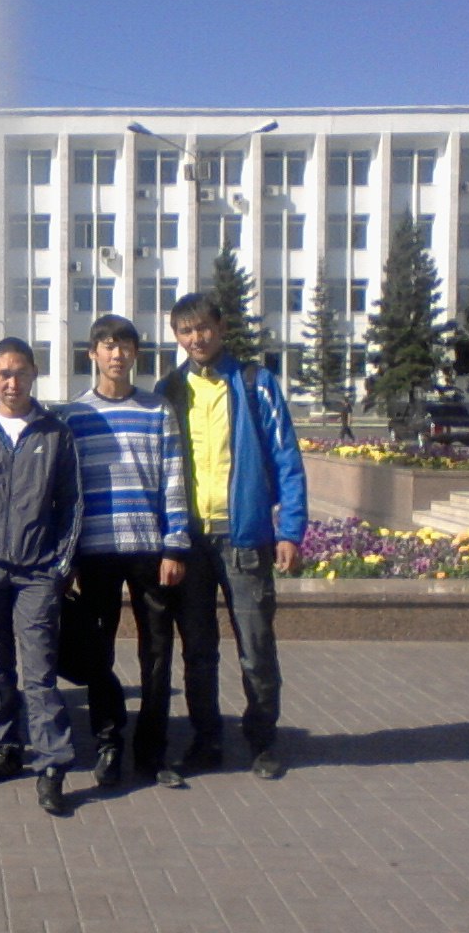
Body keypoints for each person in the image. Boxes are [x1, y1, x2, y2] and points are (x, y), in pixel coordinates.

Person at [156, 293, 307, 780]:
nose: (196, 338)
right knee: (198, 651)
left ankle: (263, 740)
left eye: (203, 328)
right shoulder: (170, 388)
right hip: (191, 541)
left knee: (256, 647)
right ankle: (207, 741)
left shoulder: (254, 382)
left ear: (220, 328)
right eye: (186, 331)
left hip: (244, 536)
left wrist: (289, 530)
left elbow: (286, 459)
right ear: (176, 336)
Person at [0, 337, 82, 816]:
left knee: (40, 671)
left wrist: (58, 564)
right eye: (4, 373)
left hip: (36, 573)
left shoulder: (54, 433)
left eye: (21, 372)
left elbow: (71, 503)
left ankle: (52, 766)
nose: (12, 382)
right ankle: (5, 748)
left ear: (33, 375)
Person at [61, 315, 190, 790]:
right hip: (96, 552)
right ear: (92, 354)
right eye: (108, 346)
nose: (117, 354)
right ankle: (108, 742)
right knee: (99, 653)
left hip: (149, 550)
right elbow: (67, 492)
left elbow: (174, 479)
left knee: (156, 651)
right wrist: (68, 556)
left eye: (125, 346)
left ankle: (152, 751)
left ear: (136, 353)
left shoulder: (158, 411)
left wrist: (175, 544)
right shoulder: (74, 416)